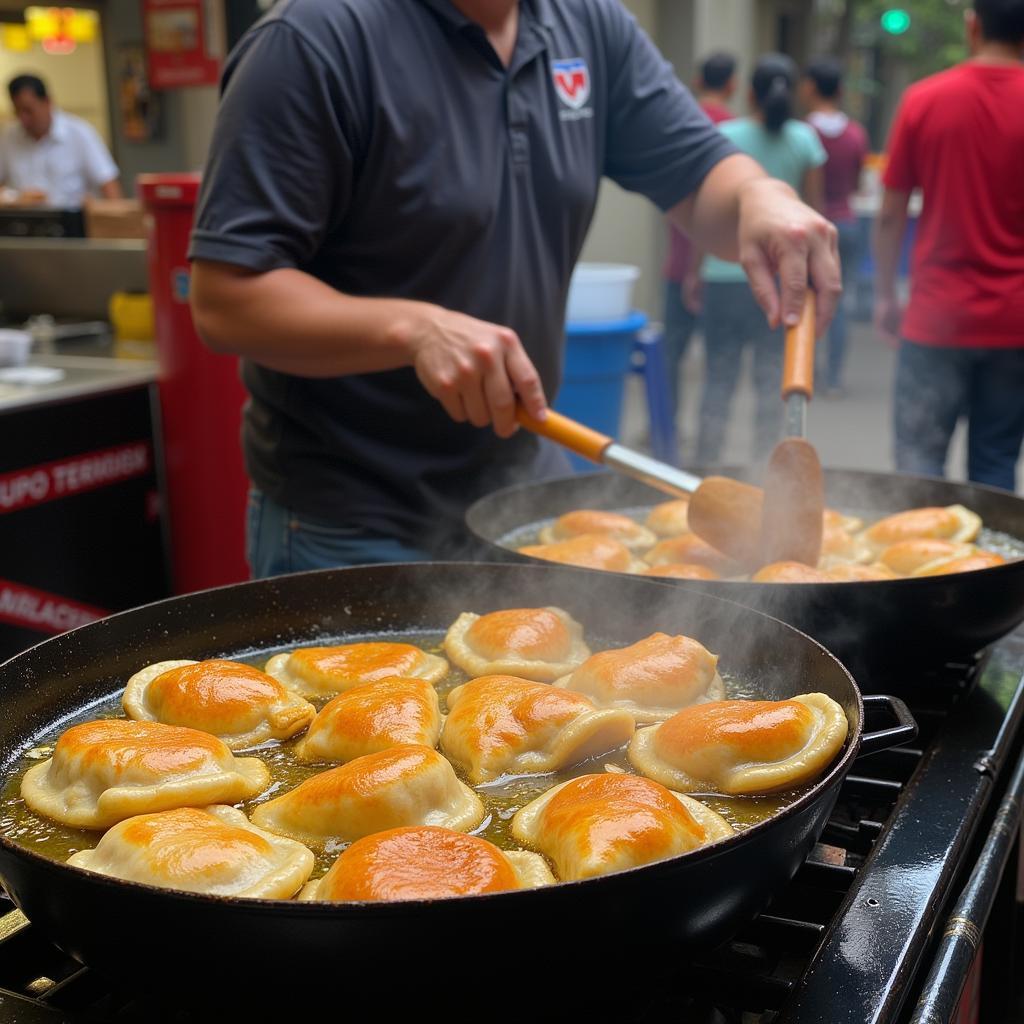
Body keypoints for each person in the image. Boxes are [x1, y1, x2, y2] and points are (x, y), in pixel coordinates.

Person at [188, 0, 840, 578]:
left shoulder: (587, 25)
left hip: (522, 492)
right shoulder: (313, 40)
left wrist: (761, 195)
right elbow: (226, 298)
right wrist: (414, 329)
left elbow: (701, 177)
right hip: (354, 519)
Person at [875, 0, 1024, 491]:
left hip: (937, 317)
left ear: (973, 25)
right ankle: (998, 569)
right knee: (996, 467)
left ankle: (927, 568)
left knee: (919, 468)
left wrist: (884, 295)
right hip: (1014, 324)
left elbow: (891, 212)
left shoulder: (925, 99)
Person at [691, 53, 827, 465]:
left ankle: (704, 469)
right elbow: (813, 212)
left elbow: (704, 215)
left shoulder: (724, 135)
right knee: (773, 383)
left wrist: (696, 270)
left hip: (724, 276)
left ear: (749, 92)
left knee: (718, 378)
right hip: (784, 281)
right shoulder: (805, 140)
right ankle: (768, 476)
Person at [662, 51, 736, 422]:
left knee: (672, 351)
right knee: (719, 360)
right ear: (732, 85)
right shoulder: (735, 129)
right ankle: (709, 441)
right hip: (719, 264)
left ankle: (666, 429)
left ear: (696, 80)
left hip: (678, 260)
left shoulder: (682, 123)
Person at [801, 57, 868, 396]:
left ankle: (803, 372)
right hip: (847, 223)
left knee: (806, 300)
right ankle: (835, 377)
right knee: (840, 301)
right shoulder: (856, 134)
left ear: (810, 87)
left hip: (809, 226)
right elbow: (858, 182)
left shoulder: (801, 132)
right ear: (841, 90)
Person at [0, 75, 121, 207]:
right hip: (22, 223)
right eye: (17, 112)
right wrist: (15, 198)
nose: (23, 119)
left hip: (71, 222)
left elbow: (109, 184)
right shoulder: (8, 137)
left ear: (47, 102)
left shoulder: (79, 133)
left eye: (29, 111)